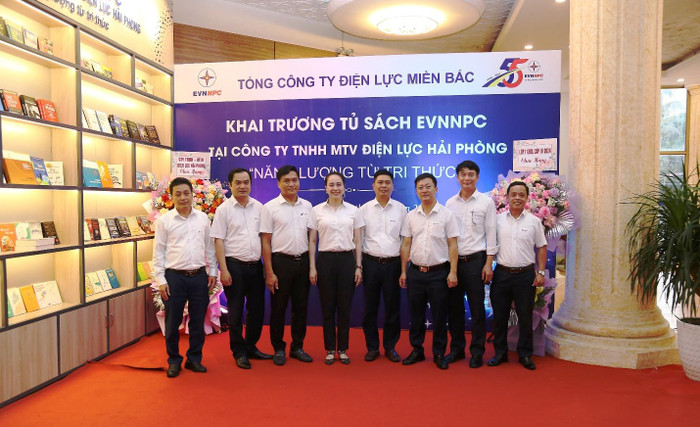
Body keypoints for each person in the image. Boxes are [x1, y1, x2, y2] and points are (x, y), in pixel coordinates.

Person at [152, 177, 218, 378]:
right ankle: (173, 361)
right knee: (172, 323)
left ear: (192, 195)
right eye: (178, 194)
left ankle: (194, 359)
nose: (183, 198)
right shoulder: (164, 221)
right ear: (171, 197)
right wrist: (161, 280)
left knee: (197, 321)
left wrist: (212, 271)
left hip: (199, 276)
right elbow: (158, 252)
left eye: (186, 193)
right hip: (174, 278)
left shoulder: (203, 219)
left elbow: (210, 247)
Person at [211, 168, 271, 369]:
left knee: (257, 310)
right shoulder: (224, 210)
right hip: (234, 266)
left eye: (246, 182)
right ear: (230, 185)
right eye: (238, 182)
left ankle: (251, 346)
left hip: (255, 266)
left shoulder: (259, 207)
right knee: (236, 311)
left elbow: (264, 239)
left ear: (251, 184)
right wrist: (223, 269)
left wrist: (266, 268)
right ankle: (239, 351)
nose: (243, 186)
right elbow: (218, 241)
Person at [399, 173, 460, 370]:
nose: (424, 191)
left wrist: (453, 271)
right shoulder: (411, 216)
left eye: (428, 186)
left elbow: (453, 244)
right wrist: (403, 271)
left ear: (436, 189)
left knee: (440, 315)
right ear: (416, 191)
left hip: (438, 273)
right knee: (416, 314)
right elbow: (406, 244)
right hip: (415, 272)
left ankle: (439, 352)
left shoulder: (447, 215)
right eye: (420, 187)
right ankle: (417, 349)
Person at [488, 180, 547, 371]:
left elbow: (542, 247)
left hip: (525, 275)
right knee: (500, 317)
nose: (517, 198)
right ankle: (500, 353)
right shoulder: (497, 221)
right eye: (513, 194)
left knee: (525, 316)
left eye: (521, 195)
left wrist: (540, 272)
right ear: (507, 197)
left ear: (527, 198)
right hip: (502, 274)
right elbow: (490, 246)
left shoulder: (534, 221)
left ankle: (525, 354)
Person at [444, 160, 497, 368]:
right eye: (463, 174)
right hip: (454, 264)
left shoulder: (486, 203)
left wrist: (488, 263)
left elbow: (491, 234)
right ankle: (457, 350)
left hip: (476, 261)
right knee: (454, 309)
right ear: (458, 177)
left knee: (477, 309)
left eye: (471, 174)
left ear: (477, 177)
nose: (467, 178)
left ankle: (477, 352)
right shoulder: (450, 203)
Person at [309, 172, 364, 365]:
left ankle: (343, 348)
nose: (335, 188)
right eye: (331, 185)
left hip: (347, 261)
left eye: (339, 184)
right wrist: (312, 267)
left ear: (344, 187)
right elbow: (312, 241)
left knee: (344, 308)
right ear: (325, 188)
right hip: (325, 261)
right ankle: (330, 349)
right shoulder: (316, 211)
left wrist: (358, 266)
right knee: (327, 307)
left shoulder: (354, 211)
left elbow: (358, 241)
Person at [260, 165, 314, 365]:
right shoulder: (270, 208)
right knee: (278, 308)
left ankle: (297, 347)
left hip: (303, 262)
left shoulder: (307, 206)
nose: (291, 184)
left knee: (301, 308)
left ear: (299, 181)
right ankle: (279, 348)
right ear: (279, 183)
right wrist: (269, 272)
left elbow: (312, 238)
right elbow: (265, 242)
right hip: (280, 263)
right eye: (286, 181)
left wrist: (311, 266)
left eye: (294, 180)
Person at [359, 169, 406, 363]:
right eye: (380, 182)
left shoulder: (401, 209)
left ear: (393, 186)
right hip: (370, 263)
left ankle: (390, 347)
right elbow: (359, 240)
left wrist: (403, 269)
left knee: (392, 308)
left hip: (393, 264)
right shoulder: (364, 209)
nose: (384, 186)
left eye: (387, 182)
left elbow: (404, 241)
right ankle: (372, 347)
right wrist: (359, 266)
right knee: (370, 308)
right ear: (373, 186)